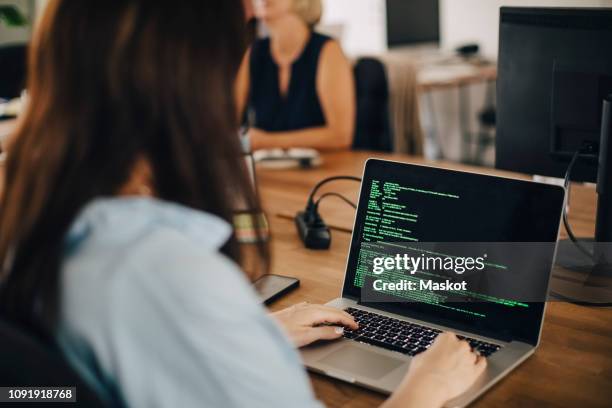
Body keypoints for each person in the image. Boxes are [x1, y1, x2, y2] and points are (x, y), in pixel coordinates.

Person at [0, 1, 485, 407]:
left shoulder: (36, 218)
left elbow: (144, 352)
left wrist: (250, 334)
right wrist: (424, 389)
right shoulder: (168, 278)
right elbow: (165, 318)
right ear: (192, 86)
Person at [236, 0, 355, 151]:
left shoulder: (328, 50)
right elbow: (228, 122)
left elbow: (341, 136)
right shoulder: (254, 53)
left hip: (322, 169)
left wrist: (267, 141)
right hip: (268, 170)